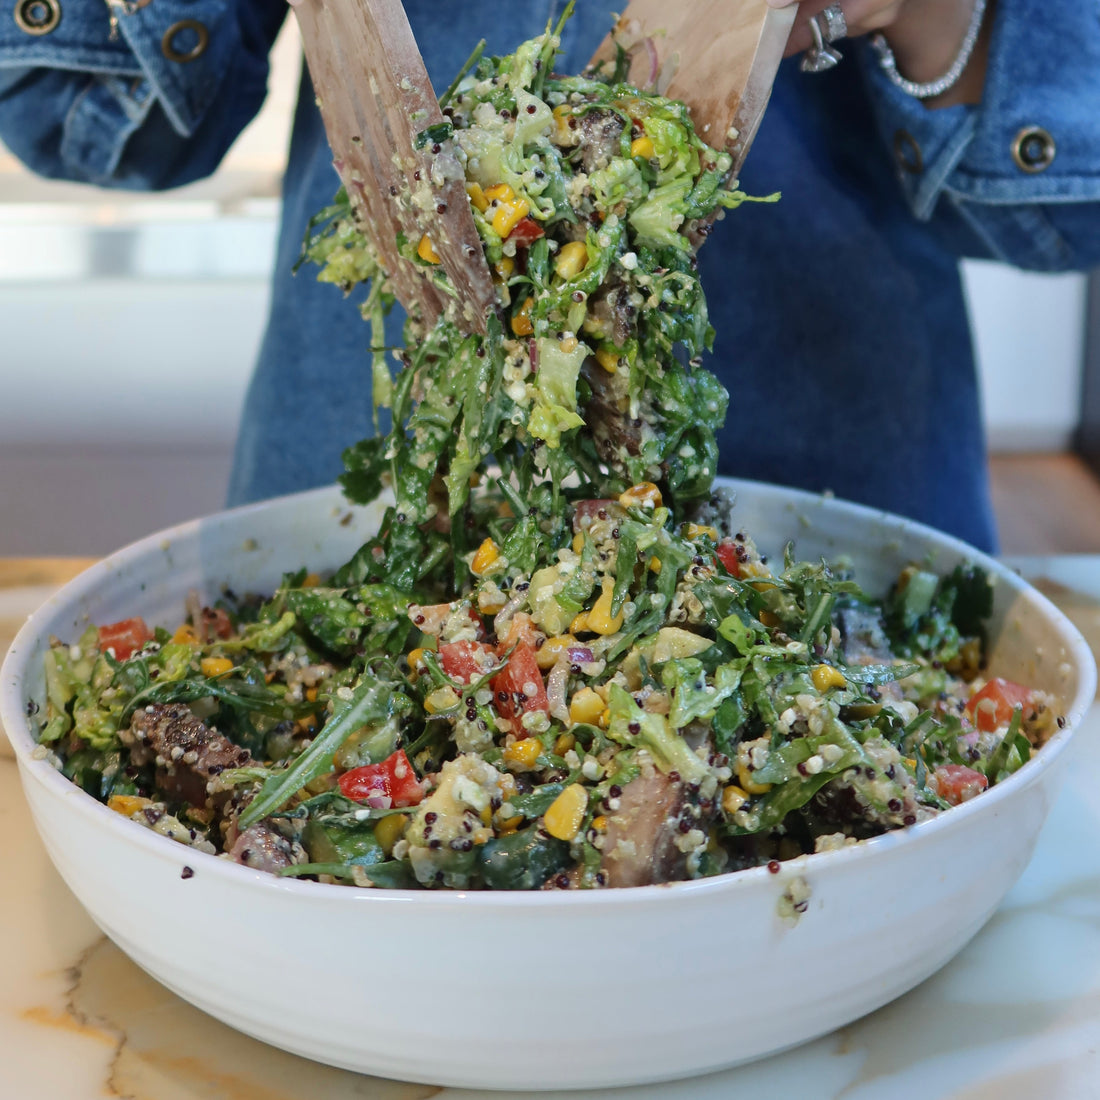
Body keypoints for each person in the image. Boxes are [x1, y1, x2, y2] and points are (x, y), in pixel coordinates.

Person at [2, 0, 1098, 552]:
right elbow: (90, 125)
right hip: (367, 498)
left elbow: (1068, 205)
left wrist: (934, 10)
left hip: (837, 519)